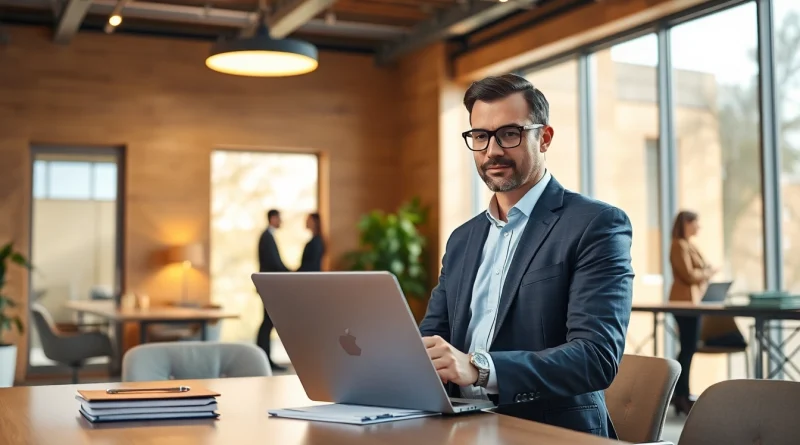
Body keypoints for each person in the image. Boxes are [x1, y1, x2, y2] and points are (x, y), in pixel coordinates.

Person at [418, 74, 633, 438]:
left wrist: (480, 369)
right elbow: (434, 336)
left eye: (509, 134)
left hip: (549, 430)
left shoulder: (597, 225)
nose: (492, 151)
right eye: (481, 136)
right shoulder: (462, 239)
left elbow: (595, 357)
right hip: (459, 426)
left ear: (544, 138)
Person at [257, 209, 289, 372]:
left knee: (267, 322)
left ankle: (264, 357)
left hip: (269, 285)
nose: (281, 221)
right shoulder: (267, 237)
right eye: (279, 218)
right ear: (273, 218)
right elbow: (274, 263)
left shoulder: (268, 236)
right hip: (269, 286)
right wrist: (290, 274)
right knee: (268, 322)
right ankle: (263, 358)